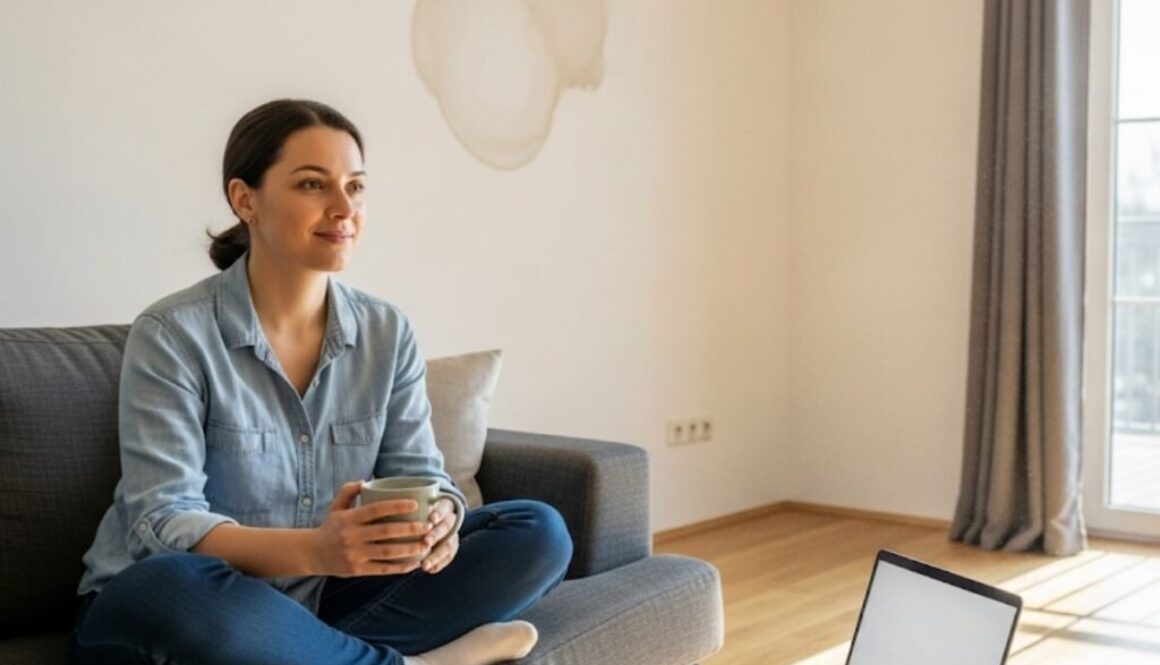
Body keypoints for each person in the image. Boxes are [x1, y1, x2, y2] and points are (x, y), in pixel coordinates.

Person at [68, 99, 573, 665]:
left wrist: (442, 520)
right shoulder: (172, 333)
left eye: (355, 187)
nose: (343, 209)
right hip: (173, 607)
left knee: (537, 531)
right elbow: (162, 521)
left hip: (316, 603)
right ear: (245, 199)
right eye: (313, 185)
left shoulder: (387, 332)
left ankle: (313, 654)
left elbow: (424, 475)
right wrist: (317, 549)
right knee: (171, 586)